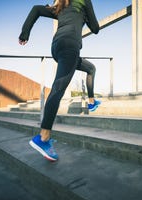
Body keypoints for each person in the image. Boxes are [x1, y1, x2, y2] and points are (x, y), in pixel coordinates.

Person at [18, 0, 100, 161]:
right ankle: (43, 138)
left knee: (90, 68)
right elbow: (96, 29)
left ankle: (91, 101)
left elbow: (36, 9)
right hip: (70, 45)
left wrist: (24, 33)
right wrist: (86, 18)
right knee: (58, 88)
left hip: (57, 47)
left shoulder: (61, 5)